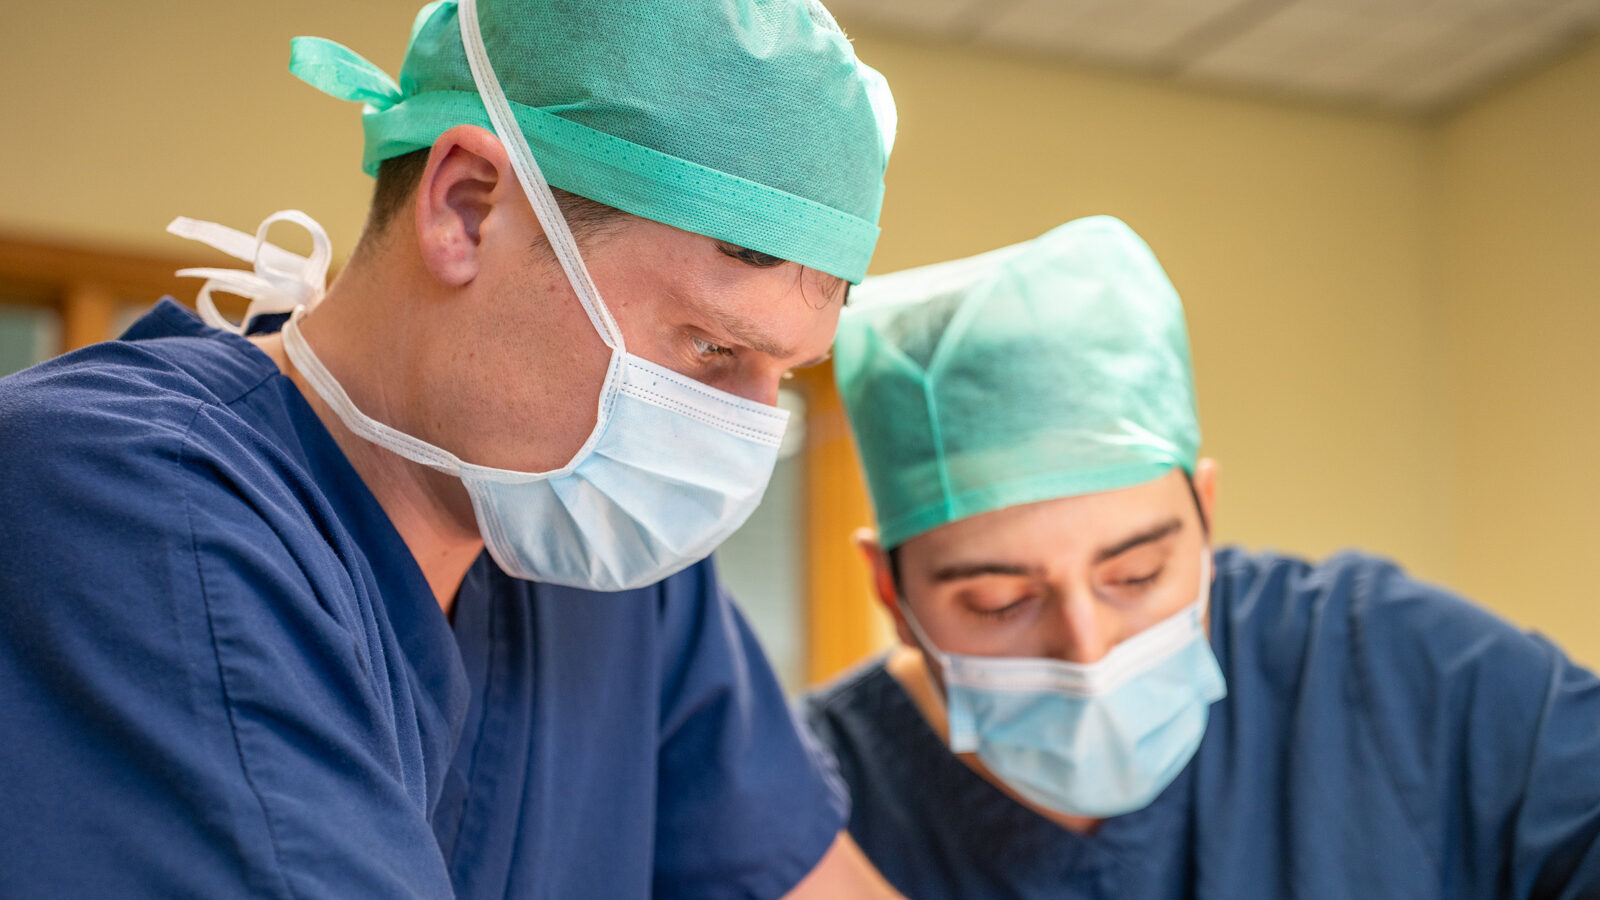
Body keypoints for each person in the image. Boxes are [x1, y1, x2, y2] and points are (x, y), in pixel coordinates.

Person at [0, 1, 904, 897]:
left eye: (784, 374)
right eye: (712, 348)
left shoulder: (612, 567)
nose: (739, 433)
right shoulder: (123, 498)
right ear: (467, 208)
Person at [801, 215, 1600, 899]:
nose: (1089, 649)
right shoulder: (800, 800)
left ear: (1205, 515)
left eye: (1137, 576)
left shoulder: (1387, 666)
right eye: (999, 602)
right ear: (890, 593)